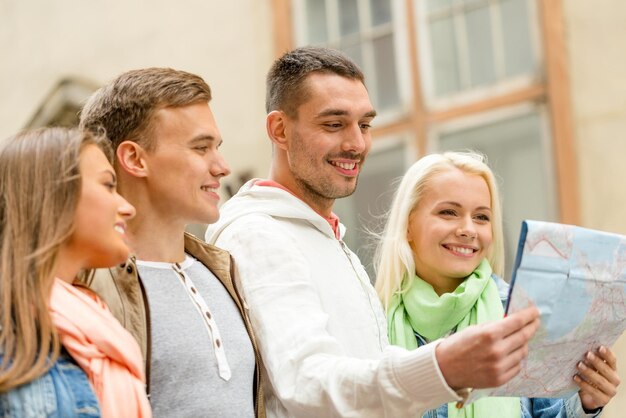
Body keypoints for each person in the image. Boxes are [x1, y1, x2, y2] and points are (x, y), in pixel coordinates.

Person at [205, 46, 540, 418]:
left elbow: (363, 366)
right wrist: (442, 366)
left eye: (364, 125)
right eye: (334, 124)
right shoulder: (259, 234)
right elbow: (307, 381)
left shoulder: (321, 234)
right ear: (280, 130)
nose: (357, 144)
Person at [375, 151, 620, 417]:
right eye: (448, 212)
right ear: (408, 224)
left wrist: (586, 404)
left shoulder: (521, 314)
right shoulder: (372, 318)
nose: (468, 229)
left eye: (481, 217)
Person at [78, 67, 264, 418]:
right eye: (200, 148)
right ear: (135, 159)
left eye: (217, 148)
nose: (222, 166)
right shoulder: (85, 286)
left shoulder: (225, 270)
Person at [0, 127, 151, 417]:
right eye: (108, 186)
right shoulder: (12, 336)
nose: (127, 207)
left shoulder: (94, 324)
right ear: (51, 194)